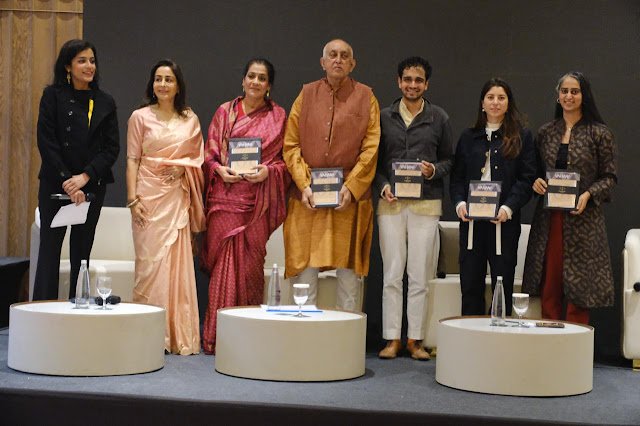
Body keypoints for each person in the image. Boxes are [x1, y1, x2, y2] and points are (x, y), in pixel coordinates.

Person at [283, 39, 380, 311]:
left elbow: (371, 148)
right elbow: (291, 145)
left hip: (348, 198)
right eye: (333, 55)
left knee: (348, 275)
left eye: (344, 56)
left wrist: (350, 187)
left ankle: (346, 332)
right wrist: (304, 185)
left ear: (352, 64)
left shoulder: (366, 97)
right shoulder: (306, 94)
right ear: (323, 62)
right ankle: (305, 330)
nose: (338, 60)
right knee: (306, 272)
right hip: (308, 197)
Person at [201, 58, 290, 354]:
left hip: (256, 205)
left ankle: (248, 339)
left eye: (262, 78)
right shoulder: (224, 112)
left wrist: (269, 172)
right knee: (222, 271)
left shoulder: (278, 116)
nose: (255, 82)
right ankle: (217, 337)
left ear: (269, 85)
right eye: (251, 76)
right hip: (224, 200)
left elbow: (285, 162)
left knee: (250, 269)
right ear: (243, 80)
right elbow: (210, 154)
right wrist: (218, 170)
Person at [523, 72, 617, 324]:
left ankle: (576, 340)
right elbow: (535, 172)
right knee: (550, 281)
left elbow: (610, 177)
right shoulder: (546, 132)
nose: (569, 96)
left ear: (584, 96)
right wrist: (536, 182)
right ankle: (548, 334)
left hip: (584, 220)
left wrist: (588, 194)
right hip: (550, 218)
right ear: (558, 96)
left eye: (574, 91)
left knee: (580, 285)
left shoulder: (599, 133)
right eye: (564, 91)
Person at [375, 57, 453, 360]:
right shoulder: (384, 116)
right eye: (407, 79)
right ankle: (392, 338)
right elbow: (374, 162)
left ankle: (415, 340)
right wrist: (383, 185)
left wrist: (433, 170)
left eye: (418, 80)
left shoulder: (439, 117)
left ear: (426, 84)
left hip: (426, 204)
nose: (412, 85)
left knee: (420, 275)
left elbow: (449, 160)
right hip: (391, 204)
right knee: (392, 274)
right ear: (399, 82)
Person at [126, 59, 205, 355]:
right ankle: (149, 334)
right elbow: (132, 160)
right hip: (147, 198)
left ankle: (176, 334)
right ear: (152, 83)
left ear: (178, 85)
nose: (163, 84)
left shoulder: (190, 119)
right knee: (148, 265)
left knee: (176, 266)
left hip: (175, 198)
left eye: (168, 79)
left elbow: (199, 159)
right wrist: (133, 200)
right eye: (158, 79)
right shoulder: (139, 117)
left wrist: (184, 168)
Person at [33, 39, 120, 301]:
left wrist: (84, 177)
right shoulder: (53, 96)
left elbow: (111, 149)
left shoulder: (105, 101)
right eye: (82, 61)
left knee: (82, 253)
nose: (89, 66)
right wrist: (67, 181)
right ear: (68, 66)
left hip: (91, 186)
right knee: (49, 252)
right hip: (55, 184)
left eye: (92, 61)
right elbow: (46, 142)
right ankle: (43, 309)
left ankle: (77, 305)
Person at [450, 78, 536, 317]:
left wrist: (508, 208)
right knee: (470, 284)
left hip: (504, 224)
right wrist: (460, 204)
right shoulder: (468, 137)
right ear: (482, 103)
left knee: (502, 283)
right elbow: (456, 178)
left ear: (509, 103)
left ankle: (499, 333)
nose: (495, 102)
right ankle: (470, 332)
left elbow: (527, 178)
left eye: (501, 98)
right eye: (490, 97)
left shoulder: (522, 136)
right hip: (471, 224)